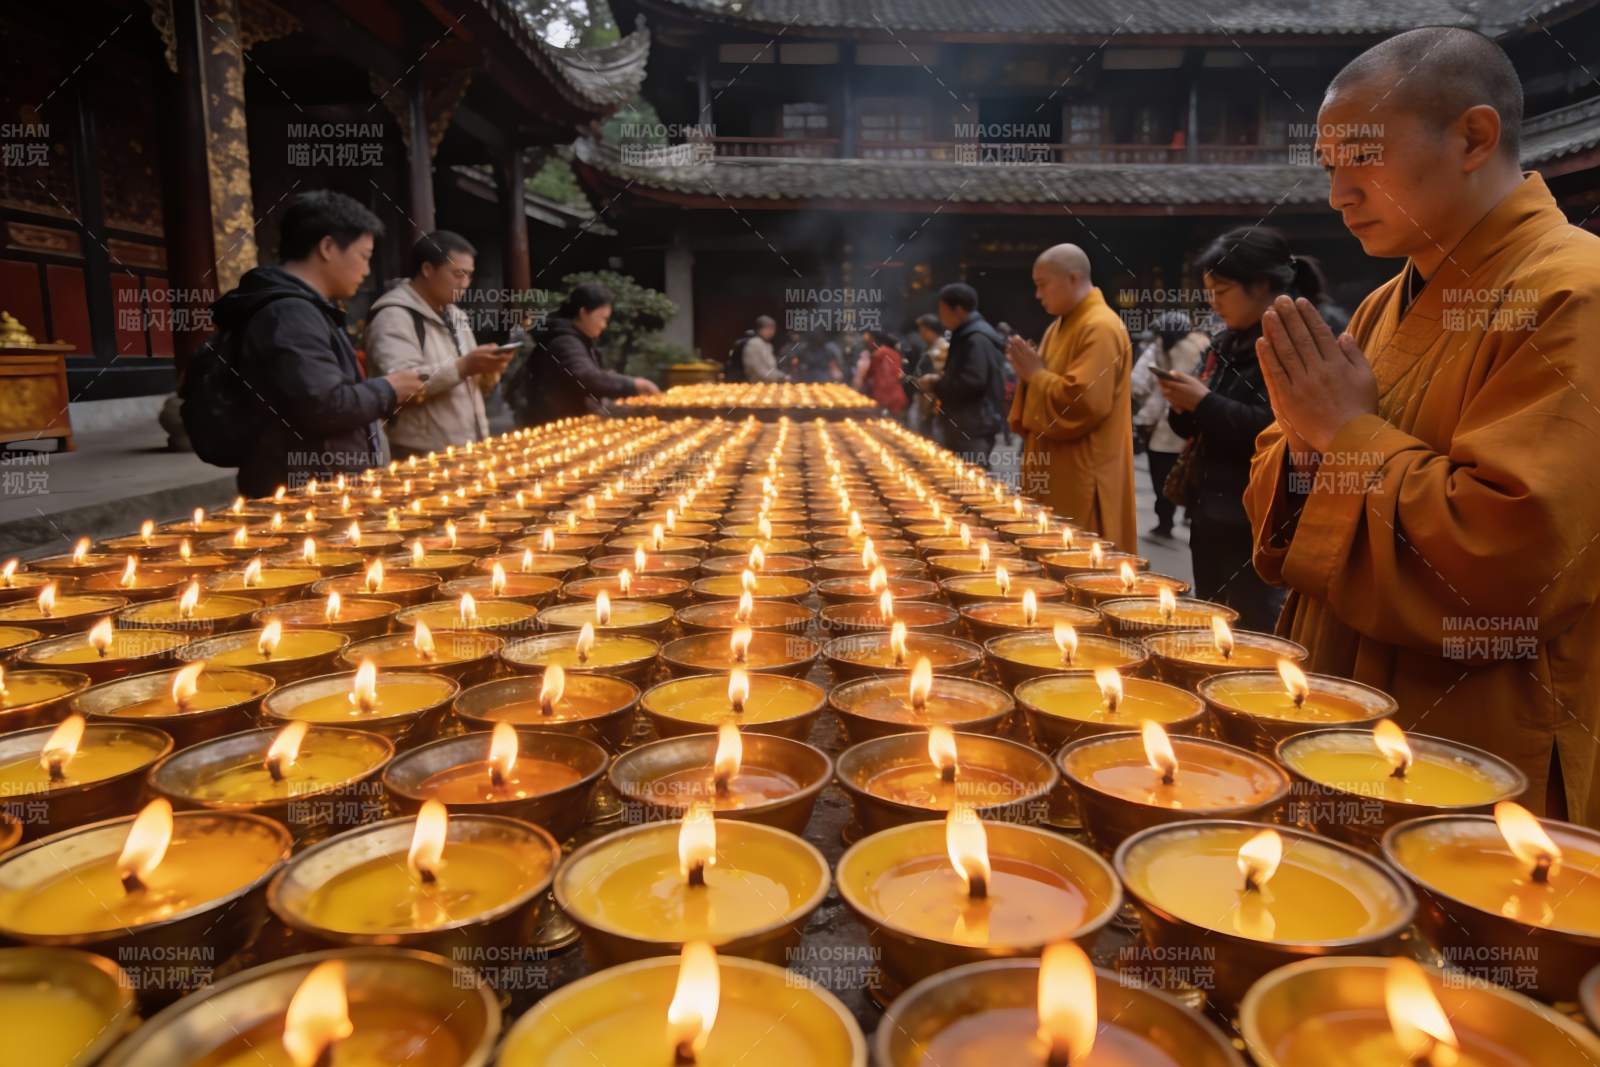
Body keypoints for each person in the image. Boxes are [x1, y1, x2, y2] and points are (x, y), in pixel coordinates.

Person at [1244, 27, 1600, 822]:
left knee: (1461, 931)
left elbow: (1522, 551)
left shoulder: (1574, 294)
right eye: (1330, 167)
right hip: (1347, 691)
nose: (1339, 194)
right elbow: (1291, 466)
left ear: (1474, 136)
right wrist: (1306, 442)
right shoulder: (1384, 302)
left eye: (1361, 157)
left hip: (1479, 727)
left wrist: (1343, 436)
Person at [1159, 227, 1326, 629]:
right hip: (1210, 509)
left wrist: (1204, 402)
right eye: (1209, 293)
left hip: (1259, 515)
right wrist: (1183, 405)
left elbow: (1282, 431)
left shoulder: (1295, 341)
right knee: (1215, 619)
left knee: (1256, 626)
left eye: (1222, 291)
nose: (1214, 304)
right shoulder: (1225, 342)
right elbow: (1200, 425)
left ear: (1262, 284)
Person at [212, 190, 423, 498]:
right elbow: (323, 405)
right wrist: (389, 389)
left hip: (316, 484)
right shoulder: (289, 314)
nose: (366, 271)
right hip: (305, 491)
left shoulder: (304, 309)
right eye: (364, 257)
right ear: (327, 247)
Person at [1005, 245, 1137, 552]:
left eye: (1042, 285)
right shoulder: (1058, 326)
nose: (1038, 295)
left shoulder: (1100, 327)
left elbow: (1086, 403)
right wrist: (1030, 375)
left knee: (1081, 561)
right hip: (1054, 467)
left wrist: (1035, 375)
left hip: (1084, 475)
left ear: (1073, 278)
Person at [364, 231, 510, 460]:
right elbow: (398, 385)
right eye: (458, 274)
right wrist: (464, 367)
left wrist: (488, 372)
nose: (465, 284)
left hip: (467, 445)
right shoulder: (393, 315)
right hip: (420, 452)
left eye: (469, 275)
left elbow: (472, 385)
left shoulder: (456, 315)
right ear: (427, 270)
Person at [506, 281, 659, 426]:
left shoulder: (575, 338)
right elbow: (585, 376)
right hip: (554, 422)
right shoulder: (564, 342)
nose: (604, 325)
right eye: (603, 318)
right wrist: (633, 384)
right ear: (584, 312)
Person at [1131, 311, 1205, 538]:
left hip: (1167, 427)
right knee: (1191, 472)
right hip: (1192, 426)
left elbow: (1139, 384)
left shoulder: (1164, 349)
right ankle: (1186, 514)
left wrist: (1143, 418)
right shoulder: (1203, 346)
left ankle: (1166, 520)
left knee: (1161, 474)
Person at [927, 283, 1006, 469]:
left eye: (943, 310)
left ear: (959, 310)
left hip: (972, 426)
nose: (940, 316)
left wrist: (936, 384)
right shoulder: (966, 335)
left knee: (971, 482)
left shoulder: (976, 339)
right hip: (966, 423)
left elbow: (973, 382)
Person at [907, 314, 947, 437]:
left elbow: (943, 378)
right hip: (924, 403)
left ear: (930, 331)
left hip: (934, 407)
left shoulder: (943, 349)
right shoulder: (929, 348)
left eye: (922, 330)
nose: (920, 334)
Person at [859, 328, 910, 419]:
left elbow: (869, 375)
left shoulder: (879, 353)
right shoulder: (896, 354)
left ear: (874, 339)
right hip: (897, 397)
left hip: (883, 398)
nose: (867, 343)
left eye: (869, 340)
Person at [737, 315, 786, 382]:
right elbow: (758, 370)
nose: (771, 332)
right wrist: (779, 377)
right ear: (760, 329)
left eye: (773, 329)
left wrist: (781, 375)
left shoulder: (767, 345)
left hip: (769, 382)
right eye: (768, 328)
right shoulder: (754, 344)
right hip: (756, 383)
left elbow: (771, 368)